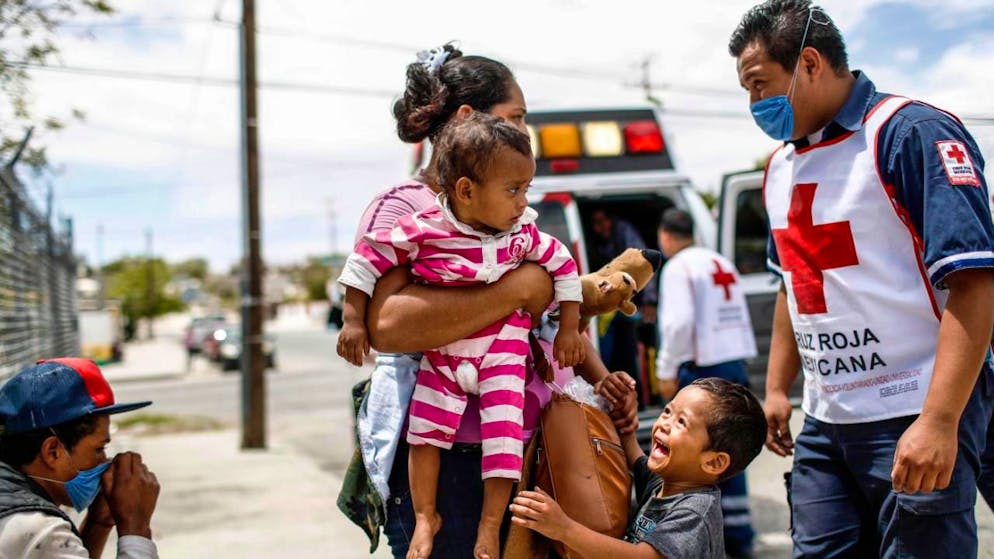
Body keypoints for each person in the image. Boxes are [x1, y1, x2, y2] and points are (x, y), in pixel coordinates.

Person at [335, 44, 639, 559]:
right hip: (451, 459)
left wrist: (599, 379)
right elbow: (385, 324)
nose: (525, 131)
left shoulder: (512, 211)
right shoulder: (406, 208)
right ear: (467, 119)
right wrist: (518, 287)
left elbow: (544, 320)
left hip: (530, 444)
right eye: (516, 117)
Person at [730, 1, 994, 556]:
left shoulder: (908, 133)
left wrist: (939, 422)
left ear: (809, 63)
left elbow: (973, 282)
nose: (755, 104)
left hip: (915, 407)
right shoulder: (779, 168)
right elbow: (792, 283)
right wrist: (778, 389)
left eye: (760, 85)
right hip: (828, 420)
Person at [509, 377, 766, 559]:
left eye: (681, 422)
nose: (664, 424)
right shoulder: (665, 482)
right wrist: (617, 404)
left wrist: (564, 529)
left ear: (713, 462)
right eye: (667, 411)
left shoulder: (695, 512)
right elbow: (631, 449)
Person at [654, 208, 759, 557]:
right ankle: (738, 531)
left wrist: (666, 369)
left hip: (702, 372)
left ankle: (704, 537)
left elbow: (678, 325)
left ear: (665, 237)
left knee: (696, 458)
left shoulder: (677, 267)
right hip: (733, 364)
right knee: (728, 451)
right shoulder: (718, 260)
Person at [0, 358, 160, 559]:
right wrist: (136, 525)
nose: (105, 461)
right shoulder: (38, 528)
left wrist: (98, 523)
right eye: (98, 449)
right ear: (53, 452)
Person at [589, 208, 658, 403]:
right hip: (604, 309)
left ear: (611, 219)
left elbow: (645, 266)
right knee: (605, 353)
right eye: (596, 223)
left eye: (603, 221)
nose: (601, 227)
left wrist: (650, 302)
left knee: (630, 353)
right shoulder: (593, 243)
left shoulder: (625, 233)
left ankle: (639, 398)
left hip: (630, 304)